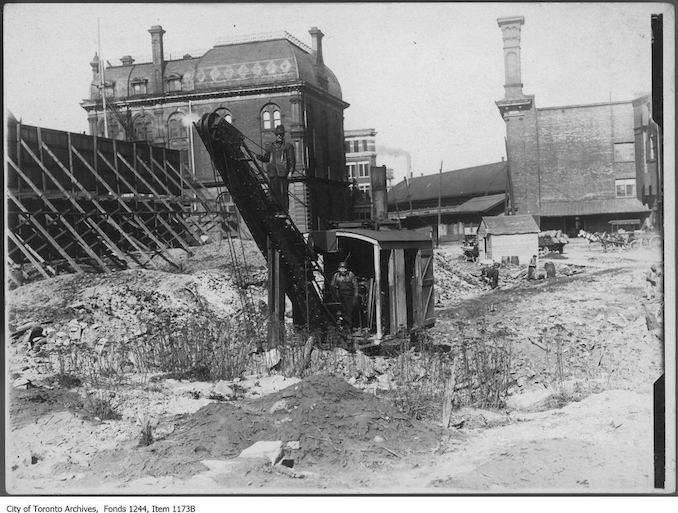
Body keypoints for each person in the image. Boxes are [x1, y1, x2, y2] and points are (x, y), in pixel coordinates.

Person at [256, 125, 296, 212]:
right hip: (273, 173)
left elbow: (291, 160)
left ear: (283, 135)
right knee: (274, 192)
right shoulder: (271, 147)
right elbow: (267, 158)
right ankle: (276, 210)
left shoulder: (288, 146)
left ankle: (284, 211)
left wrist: (290, 172)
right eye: (278, 134)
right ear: (275, 135)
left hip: (283, 173)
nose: (279, 136)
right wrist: (260, 158)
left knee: (283, 193)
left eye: (281, 134)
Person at [331, 261, 359, 328]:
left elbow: (355, 286)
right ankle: (341, 325)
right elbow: (332, 285)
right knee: (340, 311)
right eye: (341, 268)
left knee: (349, 312)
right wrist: (335, 293)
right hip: (340, 296)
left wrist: (356, 296)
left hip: (350, 296)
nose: (343, 270)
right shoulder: (336, 276)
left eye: (344, 268)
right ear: (339, 269)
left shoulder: (350, 274)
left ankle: (349, 326)